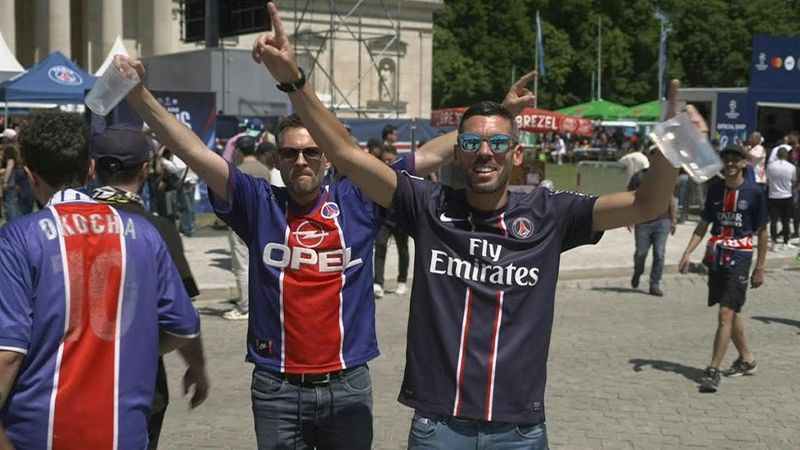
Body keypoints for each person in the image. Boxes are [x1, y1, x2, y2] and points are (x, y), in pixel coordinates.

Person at [252, 4, 696, 446]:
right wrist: (294, 81)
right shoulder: (426, 204)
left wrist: (674, 142)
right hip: (438, 426)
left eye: (499, 142)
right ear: (457, 154)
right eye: (472, 143)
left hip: (519, 429)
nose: (486, 152)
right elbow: (347, 156)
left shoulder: (550, 213)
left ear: (517, 154)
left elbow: (646, 204)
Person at [119, 48, 467, 448]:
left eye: (311, 151)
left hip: (347, 383)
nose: (301, 161)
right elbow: (194, 152)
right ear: (277, 160)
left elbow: (431, 156)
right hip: (276, 389)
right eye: (290, 153)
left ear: (327, 158)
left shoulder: (360, 197)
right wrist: (139, 95)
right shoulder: (258, 203)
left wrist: (492, 122)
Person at [0, 112, 206, 449]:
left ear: (29, 175)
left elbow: (8, 352)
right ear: (91, 169)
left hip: (39, 430)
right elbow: (183, 326)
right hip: (123, 429)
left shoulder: (18, 238)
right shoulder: (145, 234)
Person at [90, 123, 209, 448]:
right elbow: (181, 317)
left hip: (71, 383)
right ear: (144, 171)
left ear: (93, 168)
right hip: (139, 386)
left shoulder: (62, 224)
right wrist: (197, 366)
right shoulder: (158, 229)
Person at [679, 144, 768, 393]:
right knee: (730, 311)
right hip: (717, 257)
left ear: (743, 163)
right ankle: (747, 359)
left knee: (725, 315)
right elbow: (704, 224)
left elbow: (762, 233)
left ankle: (713, 370)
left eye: (735, 160)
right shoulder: (716, 190)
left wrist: (759, 267)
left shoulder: (754, 193)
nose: (729, 163)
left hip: (740, 258)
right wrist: (687, 252)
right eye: (726, 159)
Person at [223, 135, 271, 320]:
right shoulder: (263, 169)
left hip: (241, 221)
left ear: (240, 151)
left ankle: (245, 306)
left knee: (242, 265)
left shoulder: (237, 170)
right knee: (259, 264)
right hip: (262, 220)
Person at [627, 146, 677, 297]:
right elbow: (630, 198)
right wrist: (627, 217)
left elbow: (671, 198)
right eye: (654, 155)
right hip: (643, 221)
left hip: (663, 221)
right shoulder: (638, 177)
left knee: (659, 254)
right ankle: (638, 270)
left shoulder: (666, 176)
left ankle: (654, 283)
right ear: (649, 157)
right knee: (641, 253)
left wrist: (673, 219)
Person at [372, 149, 410, 298]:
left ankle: (402, 281)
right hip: (383, 219)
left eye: (391, 160)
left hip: (400, 219)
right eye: (385, 160)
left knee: (403, 250)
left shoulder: (403, 177)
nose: (388, 163)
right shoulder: (376, 177)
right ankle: (378, 283)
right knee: (380, 248)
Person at [765, 146, 797, 251]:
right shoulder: (791, 167)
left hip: (773, 195)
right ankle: (786, 242)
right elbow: (793, 180)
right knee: (786, 220)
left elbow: (768, 180)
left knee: (773, 220)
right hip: (786, 195)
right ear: (786, 155)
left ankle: (774, 243)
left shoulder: (770, 166)